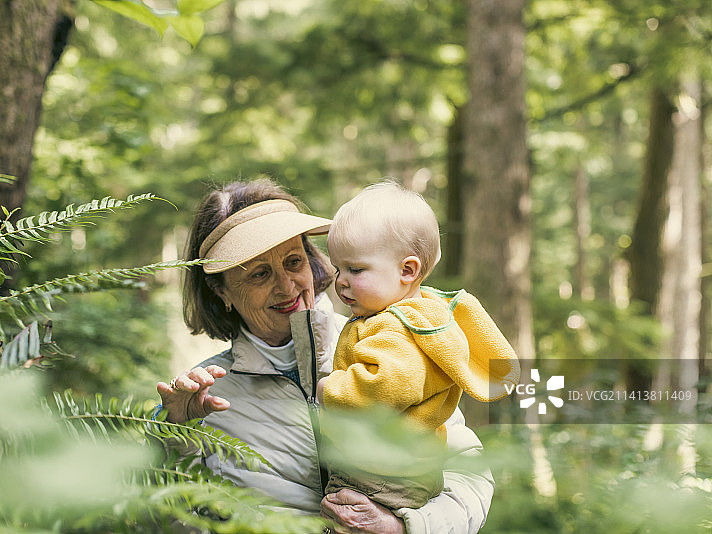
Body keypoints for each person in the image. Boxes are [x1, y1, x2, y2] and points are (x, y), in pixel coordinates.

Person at [156, 178, 497, 534]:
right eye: (259, 274)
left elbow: (470, 470)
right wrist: (177, 435)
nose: (287, 286)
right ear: (220, 290)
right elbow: (171, 520)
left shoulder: (390, 344)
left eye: (293, 261)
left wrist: (404, 527)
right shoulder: (201, 398)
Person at [316, 181, 520, 511]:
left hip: (381, 472)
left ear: (407, 270)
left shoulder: (398, 327)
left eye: (355, 269)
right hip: (405, 467)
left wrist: (330, 390)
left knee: (340, 520)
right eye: (338, 268)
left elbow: (384, 387)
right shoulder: (417, 316)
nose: (340, 281)